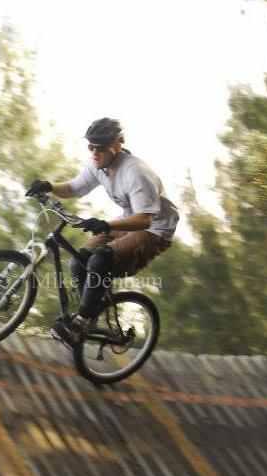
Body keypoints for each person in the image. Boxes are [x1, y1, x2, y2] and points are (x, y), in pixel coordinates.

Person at [27, 117, 179, 346]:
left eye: (100, 147)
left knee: (100, 259)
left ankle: (80, 324)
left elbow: (144, 220)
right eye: (91, 147)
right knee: (78, 262)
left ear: (117, 145)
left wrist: (107, 225)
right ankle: (90, 316)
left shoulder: (136, 173)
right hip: (129, 220)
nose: (94, 152)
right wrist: (49, 186)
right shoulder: (98, 165)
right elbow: (73, 188)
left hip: (156, 229)